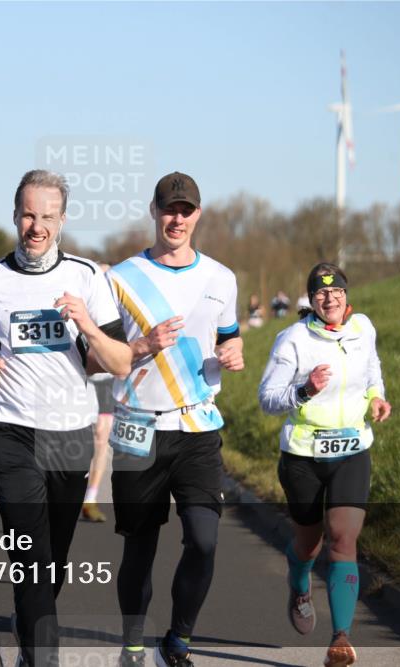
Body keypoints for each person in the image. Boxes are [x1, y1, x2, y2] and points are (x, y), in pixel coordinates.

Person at [0, 170, 131, 667]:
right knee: (30, 556)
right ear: (15, 216)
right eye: (28, 214)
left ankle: (30, 636)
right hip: (10, 429)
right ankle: (41, 658)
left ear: (62, 220)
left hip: (69, 434)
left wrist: (85, 322)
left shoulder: (88, 278)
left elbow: (120, 361)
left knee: (52, 561)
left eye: (47, 216)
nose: (36, 225)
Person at [105, 171, 244, 667]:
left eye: (186, 210)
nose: (177, 219)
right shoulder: (120, 278)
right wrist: (143, 344)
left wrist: (235, 350)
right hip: (137, 425)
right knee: (139, 547)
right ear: (154, 211)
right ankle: (134, 645)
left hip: (197, 425)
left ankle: (178, 642)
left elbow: (228, 335)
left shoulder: (220, 278)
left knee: (204, 541)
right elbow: (101, 355)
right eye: (169, 209)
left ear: (198, 215)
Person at [257, 262, 391, 667]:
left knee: (343, 540)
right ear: (311, 300)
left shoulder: (363, 329)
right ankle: (299, 585)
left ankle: (340, 638)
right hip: (303, 456)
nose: (329, 298)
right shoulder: (293, 339)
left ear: (347, 296)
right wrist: (304, 389)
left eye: (336, 292)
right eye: (320, 293)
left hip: (352, 449)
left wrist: (375, 400)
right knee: (309, 544)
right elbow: (267, 399)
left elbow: (372, 375)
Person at [83, 261, 116, 523]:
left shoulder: (119, 304)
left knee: (102, 437)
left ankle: (91, 498)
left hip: (107, 380)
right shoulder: (82, 298)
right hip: (80, 377)